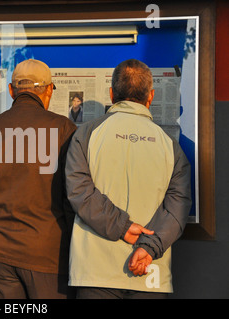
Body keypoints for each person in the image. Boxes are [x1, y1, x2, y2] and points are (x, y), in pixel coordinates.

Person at [65, 59, 192, 299]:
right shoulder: (169, 146)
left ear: (112, 94)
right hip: (150, 272)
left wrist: (123, 227)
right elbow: (179, 204)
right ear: (151, 96)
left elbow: (79, 190)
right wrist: (148, 247)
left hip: (95, 273)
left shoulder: (86, 134)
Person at [0, 59, 77, 299]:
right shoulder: (64, 129)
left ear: (12, 91)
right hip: (48, 255)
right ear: (49, 90)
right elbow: (74, 193)